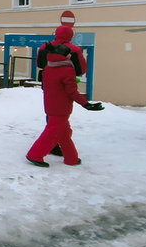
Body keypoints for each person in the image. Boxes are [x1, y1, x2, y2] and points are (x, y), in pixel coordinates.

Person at [26, 43, 104, 167]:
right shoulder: (67, 70)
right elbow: (72, 92)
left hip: (50, 105)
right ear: (65, 56)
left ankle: (71, 158)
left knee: (64, 134)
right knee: (51, 134)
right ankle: (34, 154)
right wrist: (86, 104)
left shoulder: (48, 68)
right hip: (62, 108)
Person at [37, 25, 87, 158]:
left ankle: (58, 141)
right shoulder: (74, 49)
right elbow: (81, 68)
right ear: (70, 35)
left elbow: (39, 64)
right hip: (66, 82)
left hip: (48, 81)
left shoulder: (44, 47)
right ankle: (55, 142)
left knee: (52, 110)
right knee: (61, 112)